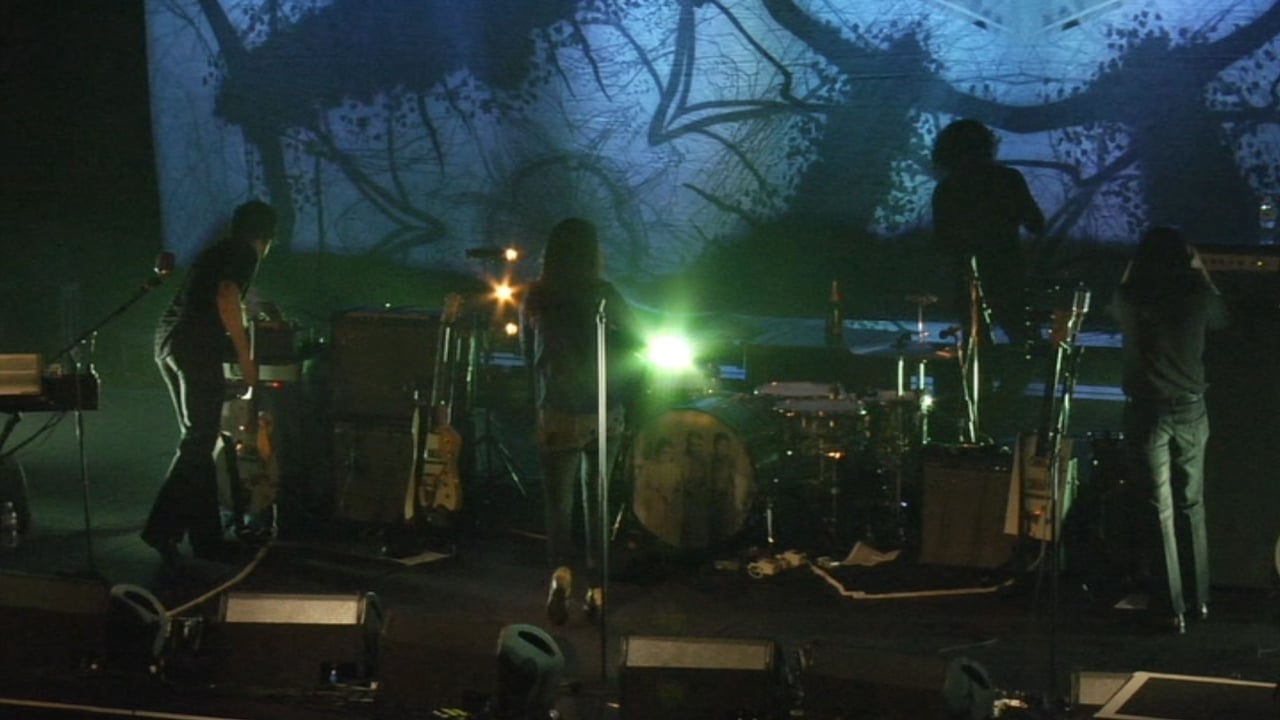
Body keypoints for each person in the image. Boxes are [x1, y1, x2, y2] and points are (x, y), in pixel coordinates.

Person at [141, 200, 277, 567]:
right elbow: (227, 298)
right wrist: (246, 358)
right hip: (194, 346)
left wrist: (260, 312)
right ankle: (161, 529)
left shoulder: (222, 250)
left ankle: (206, 540)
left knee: (200, 440)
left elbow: (229, 295)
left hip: (169, 340)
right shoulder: (245, 253)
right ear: (268, 236)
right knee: (199, 440)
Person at [518, 218, 640, 626]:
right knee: (598, 501)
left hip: (554, 410)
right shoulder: (603, 295)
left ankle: (560, 577)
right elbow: (641, 337)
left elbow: (525, 354)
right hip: (603, 410)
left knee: (558, 504)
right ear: (593, 253)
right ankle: (598, 590)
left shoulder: (535, 296)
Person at [1111, 226, 1226, 634]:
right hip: (1193, 409)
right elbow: (1221, 316)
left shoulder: (1132, 299)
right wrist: (1200, 268)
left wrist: (1132, 267)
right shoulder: (1197, 298)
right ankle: (1201, 601)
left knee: (1158, 511)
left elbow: (1115, 302)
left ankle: (1170, 608)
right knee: (1190, 505)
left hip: (1148, 413)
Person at [931, 118, 1046, 435]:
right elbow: (1036, 223)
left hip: (966, 277)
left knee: (975, 349)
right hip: (1008, 274)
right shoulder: (1008, 179)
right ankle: (1000, 407)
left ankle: (977, 416)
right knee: (1030, 346)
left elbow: (943, 242)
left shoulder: (948, 188)